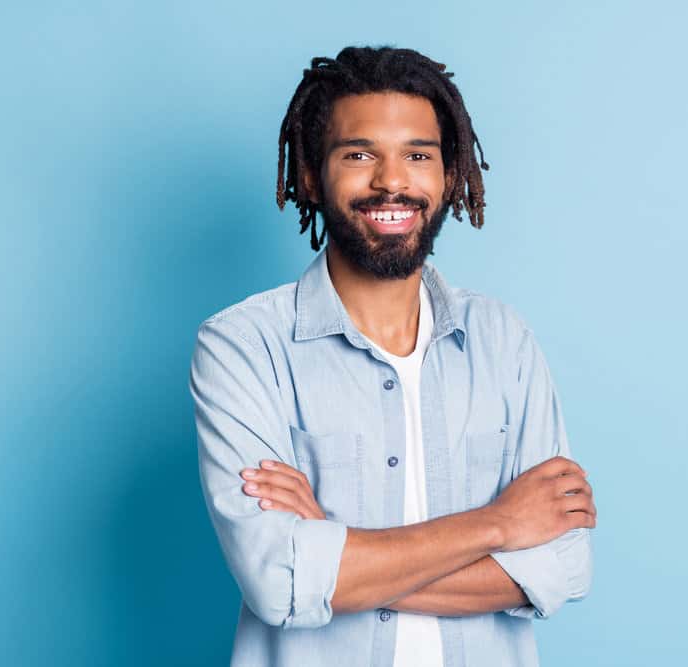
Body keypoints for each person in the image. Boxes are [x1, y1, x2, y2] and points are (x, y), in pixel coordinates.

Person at [188, 45, 597, 667]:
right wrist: (498, 525)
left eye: (417, 155)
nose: (392, 181)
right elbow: (278, 582)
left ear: (448, 174)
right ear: (309, 174)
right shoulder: (242, 347)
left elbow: (562, 568)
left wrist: (337, 552)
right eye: (359, 155)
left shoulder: (503, 341)